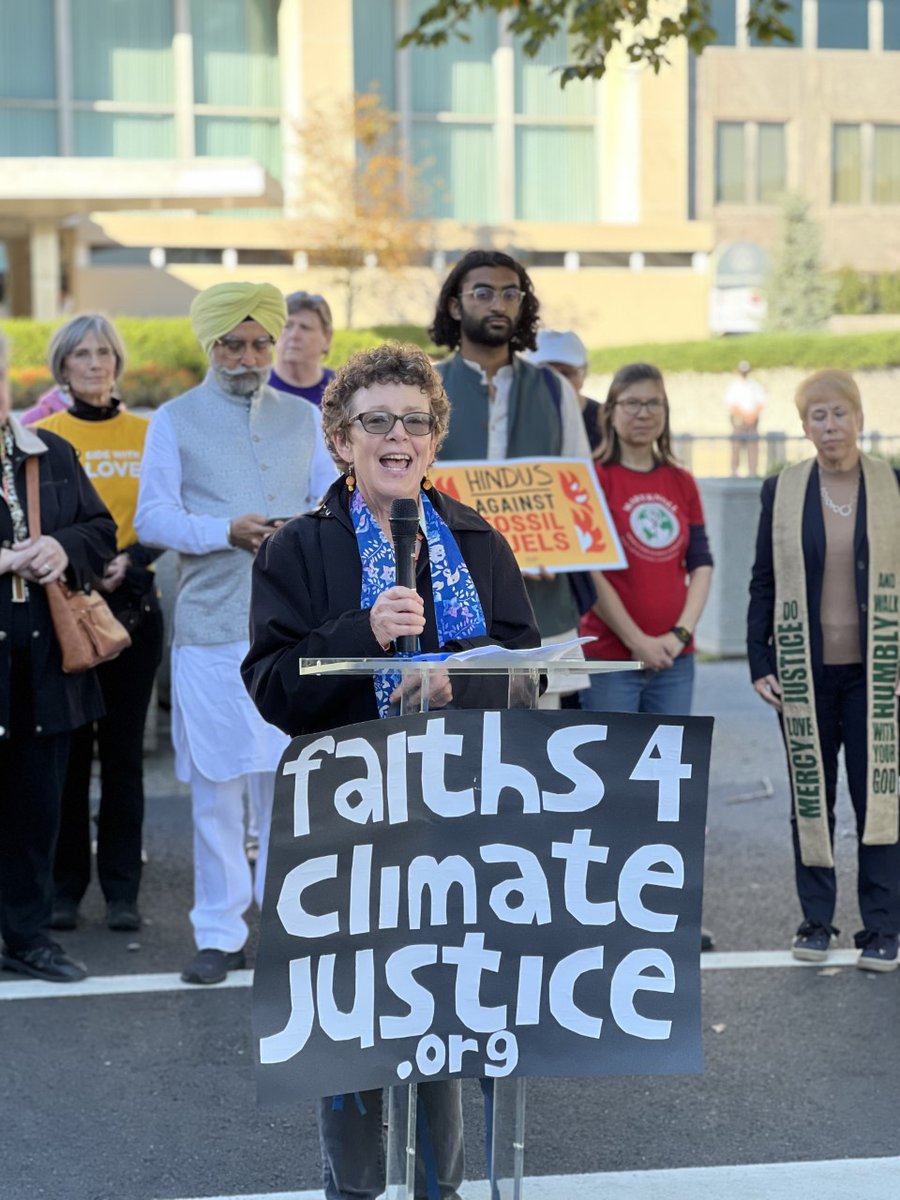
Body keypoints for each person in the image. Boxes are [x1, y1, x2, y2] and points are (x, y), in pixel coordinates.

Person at [241, 341, 540, 1200]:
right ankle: (357, 1186)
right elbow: (272, 686)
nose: (397, 437)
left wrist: (460, 680)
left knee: (444, 1018)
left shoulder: (479, 540)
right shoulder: (296, 550)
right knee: (354, 1029)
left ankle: (441, 1187)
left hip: (461, 819)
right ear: (341, 440)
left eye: (415, 421)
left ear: (436, 439)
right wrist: (363, 632)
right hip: (346, 825)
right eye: (375, 421)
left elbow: (528, 670)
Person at [134, 281, 336, 986]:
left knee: (290, 783)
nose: (248, 358)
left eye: (259, 344)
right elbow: (151, 518)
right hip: (212, 626)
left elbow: (334, 501)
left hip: (294, 627)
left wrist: (301, 528)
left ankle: (287, 925)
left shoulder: (304, 418)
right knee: (217, 785)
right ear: (210, 346)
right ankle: (218, 933)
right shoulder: (174, 420)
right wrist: (225, 530)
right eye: (233, 345)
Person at [747, 368, 900, 972]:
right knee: (811, 797)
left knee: (877, 796)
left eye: (840, 413)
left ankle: (883, 927)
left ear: (859, 418)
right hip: (802, 670)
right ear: (804, 425)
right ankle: (817, 921)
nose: (830, 425)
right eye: (818, 415)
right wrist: (760, 659)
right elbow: (763, 579)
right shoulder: (782, 491)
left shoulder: (893, 486)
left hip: (876, 673)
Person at [34, 315, 164, 933]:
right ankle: (65, 889)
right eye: (81, 354)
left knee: (123, 758)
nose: (94, 363)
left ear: (118, 362)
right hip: (66, 611)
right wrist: (86, 560)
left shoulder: (150, 432)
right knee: (67, 757)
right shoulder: (43, 438)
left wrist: (133, 560)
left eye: (104, 352)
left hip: (134, 608)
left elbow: (169, 510)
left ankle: (122, 890)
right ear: (62, 365)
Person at [0, 329, 117, 983]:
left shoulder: (51, 453)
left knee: (36, 807)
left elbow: (102, 530)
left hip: (43, 668)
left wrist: (62, 547)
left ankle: (27, 936)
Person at [429, 250, 592, 706]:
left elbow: (577, 489)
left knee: (537, 735)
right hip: (441, 593)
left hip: (540, 597)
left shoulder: (554, 390)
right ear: (456, 305)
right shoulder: (424, 387)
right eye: (483, 293)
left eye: (509, 294)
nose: (497, 304)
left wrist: (560, 549)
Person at [580, 363, 713, 716]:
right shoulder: (591, 480)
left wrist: (680, 635)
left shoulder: (682, 481)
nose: (644, 413)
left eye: (654, 403)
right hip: (609, 659)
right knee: (610, 753)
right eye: (632, 403)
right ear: (610, 412)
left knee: (671, 753)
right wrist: (635, 640)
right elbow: (589, 570)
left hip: (675, 660)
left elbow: (701, 564)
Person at [523, 328, 602, 452]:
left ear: (584, 373)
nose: (556, 382)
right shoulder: (516, 417)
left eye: (565, 373)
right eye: (545, 374)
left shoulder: (604, 419)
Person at [268, 290, 335, 406]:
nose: (294, 335)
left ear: (327, 338)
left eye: (305, 327)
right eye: (287, 326)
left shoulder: (342, 390)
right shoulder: (255, 389)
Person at [724, 360, 766, 476]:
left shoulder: (755, 385)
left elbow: (760, 402)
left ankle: (752, 471)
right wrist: (744, 415)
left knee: (753, 445)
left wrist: (752, 416)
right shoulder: (734, 386)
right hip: (739, 420)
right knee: (736, 445)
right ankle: (734, 471)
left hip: (752, 420)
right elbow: (732, 405)